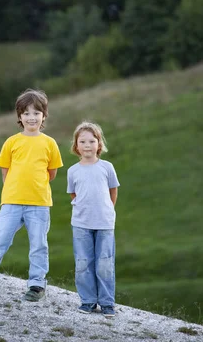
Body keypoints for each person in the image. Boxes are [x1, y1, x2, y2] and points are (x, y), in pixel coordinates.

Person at [0, 89, 63, 301]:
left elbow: (51, 174)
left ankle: (36, 284)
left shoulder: (50, 143)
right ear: (19, 116)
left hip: (39, 203)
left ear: (44, 115)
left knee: (38, 245)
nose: (31, 117)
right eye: (26, 113)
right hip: (12, 202)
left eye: (36, 113)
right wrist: (14, 191)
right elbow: (5, 172)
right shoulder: (11, 142)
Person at [66, 121, 119, 318]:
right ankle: (88, 301)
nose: (87, 145)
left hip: (105, 223)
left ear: (99, 144)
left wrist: (106, 211)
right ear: (76, 146)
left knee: (104, 263)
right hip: (81, 225)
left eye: (92, 141)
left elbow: (113, 192)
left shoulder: (107, 167)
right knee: (83, 263)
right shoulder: (73, 171)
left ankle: (107, 303)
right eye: (83, 141)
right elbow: (74, 194)